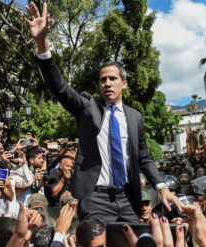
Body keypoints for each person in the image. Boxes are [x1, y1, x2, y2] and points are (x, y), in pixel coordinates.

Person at [22, 1, 181, 223]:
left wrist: (161, 187)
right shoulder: (88, 107)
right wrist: (42, 43)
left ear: (123, 84)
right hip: (94, 199)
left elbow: (144, 158)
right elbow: (59, 87)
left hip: (128, 199)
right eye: (102, 79)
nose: (107, 83)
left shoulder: (135, 117)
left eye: (113, 78)